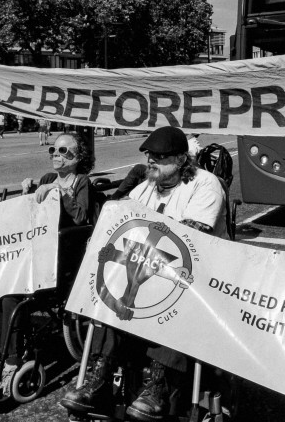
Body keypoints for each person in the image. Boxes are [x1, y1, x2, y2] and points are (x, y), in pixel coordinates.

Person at [61, 126, 227, 422]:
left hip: (189, 274)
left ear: (180, 159)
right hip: (144, 266)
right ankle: (99, 378)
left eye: (159, 158)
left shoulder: (206, 184)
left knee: (174, 299)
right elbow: (123, 216)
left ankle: (159, 388)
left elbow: (192, 235)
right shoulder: (147, 185)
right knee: (109, 289)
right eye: (149, 157)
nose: (151, 163)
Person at [0, 132, 97, 396]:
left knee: (13, 294)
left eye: (64, 151)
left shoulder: (82, 182)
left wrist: (58, 193)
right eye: (54, 150)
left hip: (60, 261)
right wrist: (27, 194)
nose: (56, 154)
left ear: (79, 157)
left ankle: (11, 361)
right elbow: (31, 217)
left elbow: (80, 217)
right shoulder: (45, 179)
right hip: (34, 253)